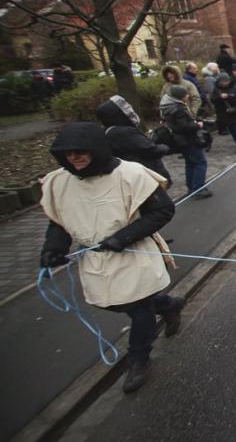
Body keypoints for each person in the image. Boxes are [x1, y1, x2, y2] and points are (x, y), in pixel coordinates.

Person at [39, 122, 184, 392]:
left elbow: (162, 211)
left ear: (96, 149)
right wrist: (53, 249)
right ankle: (167, 305)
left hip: (133, 252)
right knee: (116, 304)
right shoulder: (60, 182)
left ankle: (139, 359)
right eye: (69, 154)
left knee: (139, 307)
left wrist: (123, 237)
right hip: (97, 258)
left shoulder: (132, 174)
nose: (75, 158)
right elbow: (59, 223)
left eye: (81, 152)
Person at [95, 95, 171, 185]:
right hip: (145, 173)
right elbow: (149, 149)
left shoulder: (108, 131)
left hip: (132, 175)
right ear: (118, 113)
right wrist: (164, 147)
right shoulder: (124, 132)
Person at [160, 85, 211, 198]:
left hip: (181, 140)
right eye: (185, 95)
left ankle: (191, 187)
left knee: (190, 163)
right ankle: (198, 189)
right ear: (179, 97)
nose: (187, 96)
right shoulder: (178, 109)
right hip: (188, 140)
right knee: (200, 162)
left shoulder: (168, 107)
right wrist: (197, 125)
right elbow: (184, 127)